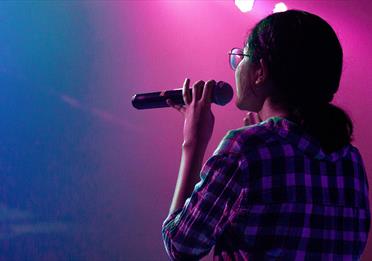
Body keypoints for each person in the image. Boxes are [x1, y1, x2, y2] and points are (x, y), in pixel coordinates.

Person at [162, 10, 370, 260]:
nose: (236, 67)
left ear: (260, 71)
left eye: (242, 57)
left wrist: (194, 141)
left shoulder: (243, 148)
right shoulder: (351, 160)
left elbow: (181, 245)